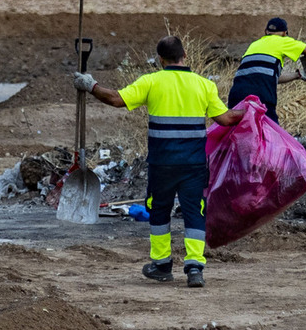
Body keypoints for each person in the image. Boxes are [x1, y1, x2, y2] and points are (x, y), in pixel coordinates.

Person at [73, 36, 244, 288]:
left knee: (159, 212)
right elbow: (227, 119)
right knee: (194, 213)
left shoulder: (151, 82)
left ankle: (162, 265)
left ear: (161, 60)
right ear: (184, 56)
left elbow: (116, 99)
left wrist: (90, 85)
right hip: (193, 164)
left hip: (162, 164)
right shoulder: (204, 85)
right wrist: (250, 111)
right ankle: (195, 268)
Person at [227, 17, 306, 124]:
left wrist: (296, 75)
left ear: (266, 32)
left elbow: (268, 75)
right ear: (284, 33)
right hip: (261, 94)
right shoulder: (283, 41)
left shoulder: (254, 44)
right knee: (269, 130)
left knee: (239, 132)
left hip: (236, 94)